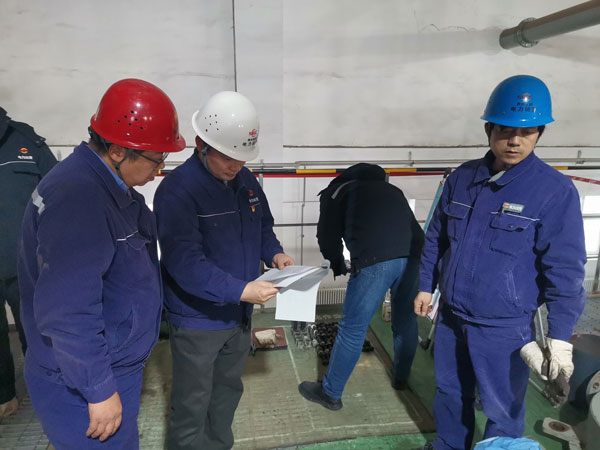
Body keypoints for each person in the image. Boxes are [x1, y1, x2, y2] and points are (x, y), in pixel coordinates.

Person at [414, 75, 586, 450]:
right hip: (452, 317)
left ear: (540, 133)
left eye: (526, 132)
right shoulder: (462, 178)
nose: (514, 140)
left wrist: (559, 338)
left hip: (504, 327)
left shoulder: (554, 191)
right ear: (489, 129)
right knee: (450, 391)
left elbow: (566, 272)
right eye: (505, 130)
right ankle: (449, 444)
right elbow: (436, 238)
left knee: (503, 406)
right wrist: (426, 285)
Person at [17, 79, 186, 448]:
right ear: (118, 151)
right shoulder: (78, 198)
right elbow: (68, 310)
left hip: (107, 364)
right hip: (80, 379)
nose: (159, 169)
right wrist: (98, 390)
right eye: (156, 159)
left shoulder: (112, 188)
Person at [153, 90, 295, 450]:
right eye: (228, 157)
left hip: (239, 316)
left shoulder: (245, 180)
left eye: (241, 157)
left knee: (227, 392)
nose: (236, 165)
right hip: (198, 321)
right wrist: (243, 290)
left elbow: (263, 227)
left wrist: (276, 254)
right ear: (201, 144)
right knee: (192, 403)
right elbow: (184, 262)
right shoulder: (177, 191)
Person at [298, 163, 424, 410]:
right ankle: (401, 378)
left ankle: (330, 393)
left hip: (376, 261)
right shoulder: (393, 190)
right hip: (414, 257)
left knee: (353, 329)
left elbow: (327, 236)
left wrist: (337, 263)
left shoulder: (336, 192)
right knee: (406, 322)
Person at [0, 107, 57, 420]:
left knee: (37, 330)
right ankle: (3, 396)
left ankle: (46, 390)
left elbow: (59, 190)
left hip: (25, 261)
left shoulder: (24, 140)